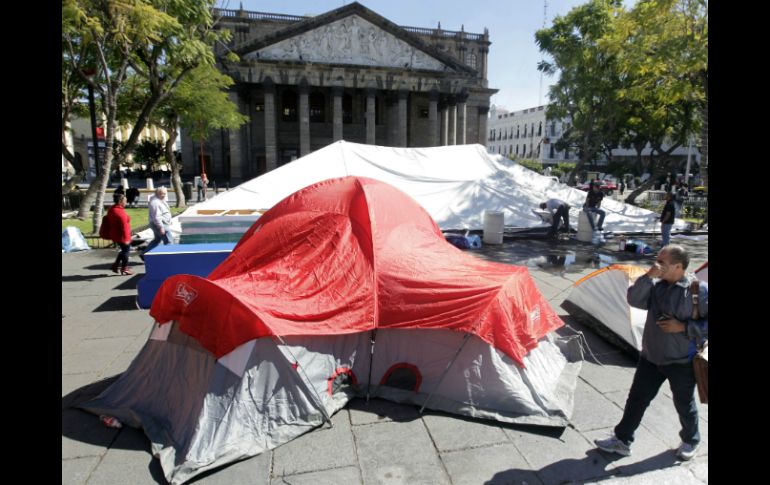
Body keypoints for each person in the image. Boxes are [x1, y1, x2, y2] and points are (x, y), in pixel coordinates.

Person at [594, 244, 707, 461]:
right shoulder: (657, 285)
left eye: (662, 262)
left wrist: (682, 327)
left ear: (678, 266)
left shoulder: (698, 291)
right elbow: (634, 300)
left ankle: (691, 440)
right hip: (651, 357)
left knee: (684, 403)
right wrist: (647, 276)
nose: (656, 265)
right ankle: (622, 440)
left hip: (682, 360)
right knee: (637, 399)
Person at [140, 186, 174, 260]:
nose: (164, 195)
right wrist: (161, 227)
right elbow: (157, 216)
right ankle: (169, 258)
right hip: (160, 224)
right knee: (169, 241)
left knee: (157, 240)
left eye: (165, 193)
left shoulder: (159, 200)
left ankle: (144, 254)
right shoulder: (155, 203)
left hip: (159, 224)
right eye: (162, 194)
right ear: (158, 193)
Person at [104, 194, 134, 275]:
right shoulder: (119, 212)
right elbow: (124, 226)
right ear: (120, 201)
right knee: (126, 252)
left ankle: (115, 265)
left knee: (124, 250)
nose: (126, 202)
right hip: (122, 235)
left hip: (116, 234)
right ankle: (124, 268)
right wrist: (126, 239)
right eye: (125, 201)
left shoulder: (113, 209)